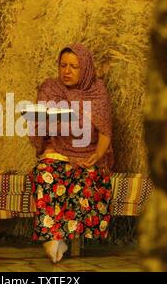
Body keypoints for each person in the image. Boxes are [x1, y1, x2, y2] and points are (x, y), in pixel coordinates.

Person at [29, 43, 114, 263]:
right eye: (63, 65)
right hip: (57, 149)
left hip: (88, 152)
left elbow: (105, 131)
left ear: (85, 68)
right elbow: (41, 125)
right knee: (45, 174)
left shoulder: (97, 91)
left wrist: (97, 155)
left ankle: (60, 236)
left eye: (73, 66)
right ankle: (54, 238)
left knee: (85, 183)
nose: (66, 71)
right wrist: (39, 123)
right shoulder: (51, 88)